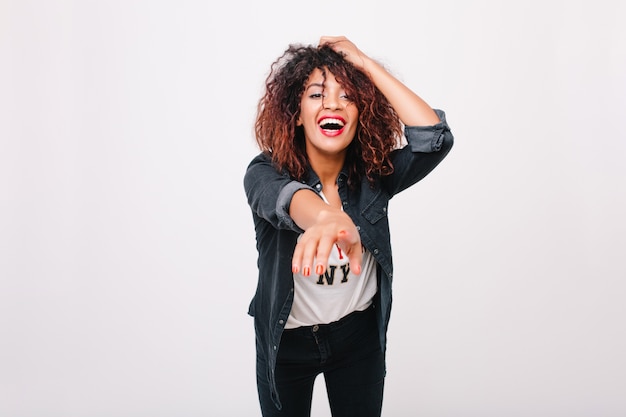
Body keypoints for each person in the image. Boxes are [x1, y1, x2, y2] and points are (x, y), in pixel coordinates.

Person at [243, 35, 454, 417]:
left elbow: (433, 139)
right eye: (317, 95)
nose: (332, 105)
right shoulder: (264, 172)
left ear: (362, 112)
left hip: (357, 337)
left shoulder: (374, 176)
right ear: (296, 112)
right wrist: (326, 218)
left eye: (347, 96)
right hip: (286, 342)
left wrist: (366, 64)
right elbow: (285, 198)